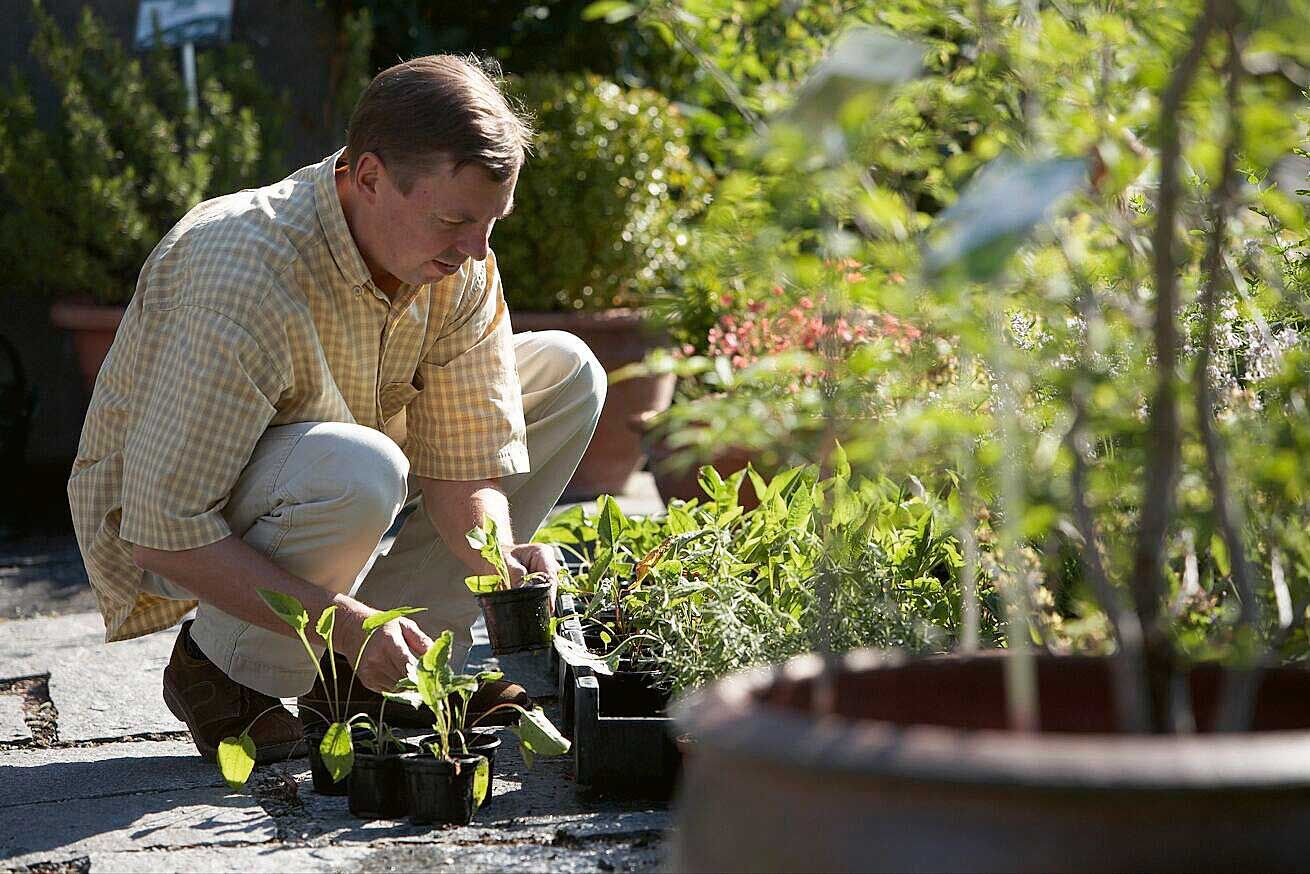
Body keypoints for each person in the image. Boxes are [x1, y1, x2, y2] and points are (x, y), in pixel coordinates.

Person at [66, 54, 605, 763]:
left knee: (569, 371)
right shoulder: (242, 273)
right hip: (172, 516)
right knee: (361, 467)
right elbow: (163, 530)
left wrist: (500, 560)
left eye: (491, 222)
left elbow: (463, 461)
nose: (476, 250)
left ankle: (393, 667)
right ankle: (228, 675)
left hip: (331, 460)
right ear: (371, 176)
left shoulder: (458, 259)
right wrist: (341, 623)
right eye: (454, 221)